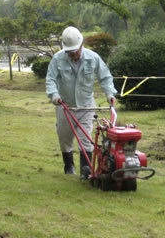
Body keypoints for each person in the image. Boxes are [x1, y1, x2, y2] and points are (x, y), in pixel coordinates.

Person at [45, 26, 117, 179]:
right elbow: (50, 79)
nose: (73, 54)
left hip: (86, 106)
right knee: (65, 138)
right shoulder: (58, 59)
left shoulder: (93, 58)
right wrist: (54, 96)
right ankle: (69, 167)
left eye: (75, 51)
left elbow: (105, 77)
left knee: (86, 139)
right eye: (70, 52)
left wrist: (110, 93)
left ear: (81, 45)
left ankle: (86, 170)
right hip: (65, 106)